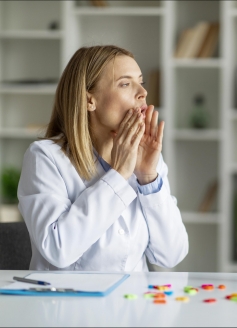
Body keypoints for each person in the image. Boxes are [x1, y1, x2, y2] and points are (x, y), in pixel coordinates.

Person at [18, 45, 189, 271]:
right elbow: (58, 249)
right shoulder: (45, 157)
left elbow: (172, 255)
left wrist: (148, 178)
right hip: (68, 304)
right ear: (90, 100)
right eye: (125, 83)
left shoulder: (147, 160)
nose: (143, 93)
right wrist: (118, 175)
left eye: (141, 82)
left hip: (134, 304)